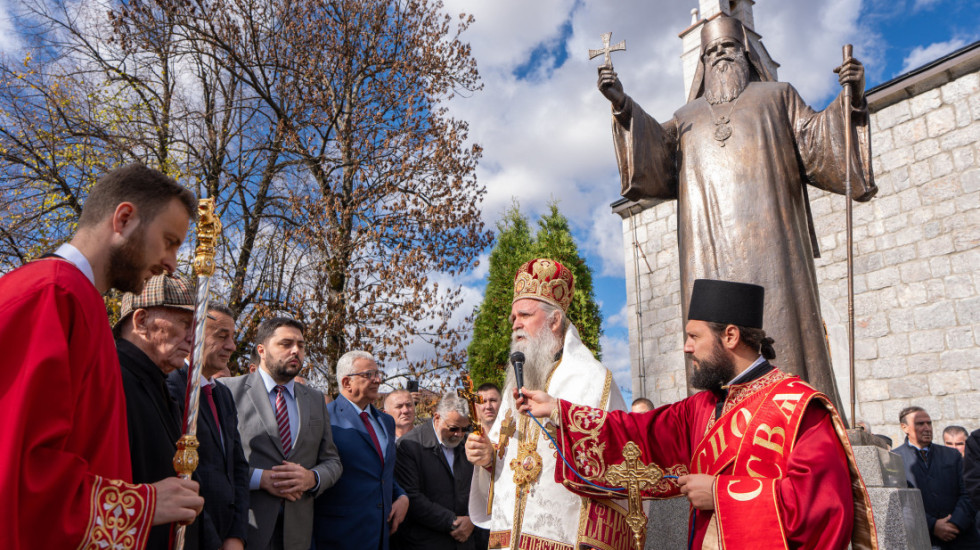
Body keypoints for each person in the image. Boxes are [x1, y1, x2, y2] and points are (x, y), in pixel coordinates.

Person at [598, 14, 876, 414]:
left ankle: (800, 415)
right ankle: (717, 420)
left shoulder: (778, 96)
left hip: (772, 240)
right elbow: (656, 156)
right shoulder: (686, 117)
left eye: (728, 48)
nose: (720, 56)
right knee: (710, 332)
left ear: (745, 54)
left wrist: (852, 96)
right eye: (711, 51)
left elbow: (818, 144)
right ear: (702, 62)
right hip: (707, 244)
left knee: (783, 322)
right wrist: (622, 105)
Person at [517, 279, 876, 549]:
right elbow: (638, 433)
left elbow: (824, 510)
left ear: (730, 336)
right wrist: (558, 409)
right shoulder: (701, 405)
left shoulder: (800, 407)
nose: (687, 347)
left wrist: (722, 494)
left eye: (694, 336)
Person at [0, 163, 203, 548]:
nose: (173, 262)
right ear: (124, 219)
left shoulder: (78, 300)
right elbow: (17, 469)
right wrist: (143, 506)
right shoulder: (51, 296)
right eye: (169, 240)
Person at [465, 258, 628, 549]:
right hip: (509, 539)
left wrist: (559, 413)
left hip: (563, 539)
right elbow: (507, 463)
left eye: (525, 315)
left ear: (555, 321)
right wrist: (488, 457)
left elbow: (615, 457)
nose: (516, 324)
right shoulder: (515, 383)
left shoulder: (592, 379)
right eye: (513, 317)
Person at [223, 317, 343, 550]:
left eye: (301, 345)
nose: (296, 351)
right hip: (242, 530)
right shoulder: (228, 391)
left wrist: (313, 478)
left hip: (297, 535)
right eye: (285, 344)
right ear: (262, 350)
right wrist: (259, 479)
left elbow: (332, 461)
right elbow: (214, 460)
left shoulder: (316, 400)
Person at [116, 272, 198, 549]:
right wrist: (145, 504)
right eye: (185, 324)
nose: (193, 338)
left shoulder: (158, 384)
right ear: (141, 321)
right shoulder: (109, 379)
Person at [167, 303, 250, 550]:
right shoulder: (173, 386)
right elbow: (184, 470)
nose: (232, 347)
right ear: (194, 334)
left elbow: (237, 467)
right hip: (192, 534)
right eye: (222, 336)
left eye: (233, 338)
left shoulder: (222, 395)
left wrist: (236, 536)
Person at [313, 350, 409, 550]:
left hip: (381, 534)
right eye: (369, 375)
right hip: (338, 536)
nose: (377, 380)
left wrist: (401, 496)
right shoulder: (324, 418)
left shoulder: (386, 421)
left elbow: (382, 472)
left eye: (377, 373)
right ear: (347, 382)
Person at [395, 392, 476, 550]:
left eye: (464, 428)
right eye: (453, 428)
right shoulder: (409, 445)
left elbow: (480, 488)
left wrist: (472, 520)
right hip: (426, 541)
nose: (459, 434)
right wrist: (452, 522)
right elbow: (411, 496)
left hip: (465, 541)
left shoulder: (468, 443)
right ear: (437, 417)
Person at [893, 408, 979, 549]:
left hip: (962, 538)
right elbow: (902, 503)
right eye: (920, 424)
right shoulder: (895, 459)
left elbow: (970, 492)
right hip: (926, 540)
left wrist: (955, 523)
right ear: (904, 427)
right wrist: (933, 525)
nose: (927, 428)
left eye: (929, 423)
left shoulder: (952, 455)